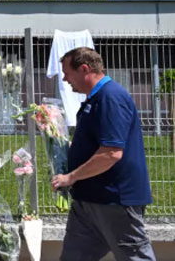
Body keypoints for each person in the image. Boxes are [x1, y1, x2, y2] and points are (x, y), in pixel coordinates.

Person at [51, 47, 155, 261]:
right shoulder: (96, 98)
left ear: (84, 69)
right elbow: (98, 144)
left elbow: (111, 154)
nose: (64, 78)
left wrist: (70, 177)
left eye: (67, 73)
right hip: (88, 201)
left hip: (114, 201)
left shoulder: (110, 98)